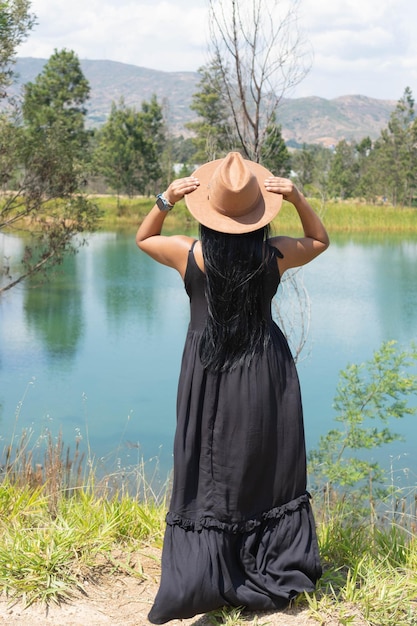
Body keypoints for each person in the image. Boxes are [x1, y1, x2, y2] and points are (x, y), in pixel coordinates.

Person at [136, 152, 329, 624]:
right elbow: (320, 240)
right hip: (266, 369)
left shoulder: (188, 254)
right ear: (257, 214)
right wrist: (299, 197)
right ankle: (267, 565)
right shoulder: (274, 255)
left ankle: (206, 574)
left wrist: (165, 198)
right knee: (264, 465)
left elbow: (144, 237)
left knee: (209, 465)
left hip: (207, 374)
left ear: (208, 208)